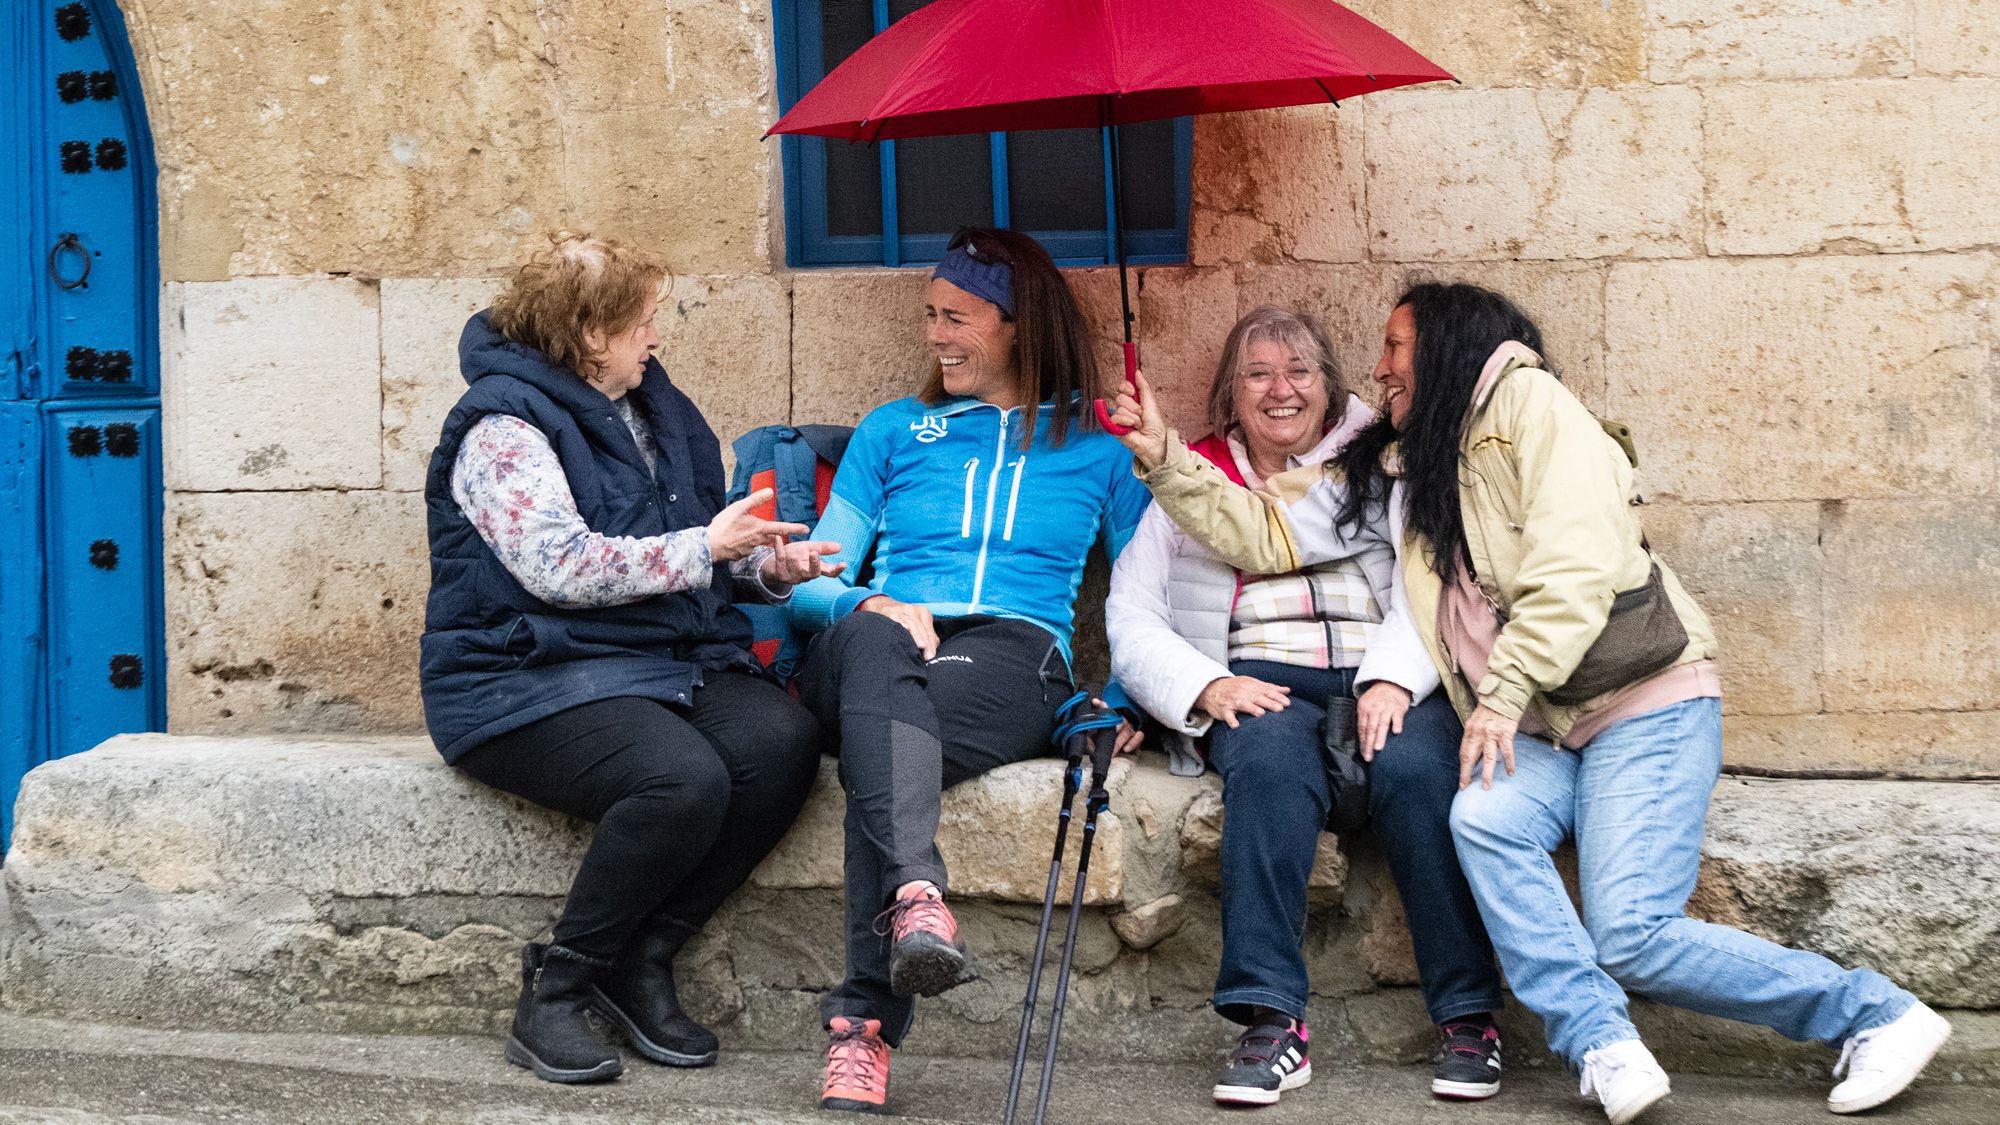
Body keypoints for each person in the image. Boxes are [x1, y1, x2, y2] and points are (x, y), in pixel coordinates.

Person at [1103, 282, 1951, 1123]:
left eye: (1394, 349)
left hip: (1640, 704)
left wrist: (1495, 700)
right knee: (1483, 818)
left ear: (1440, 351)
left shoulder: (1538, 410)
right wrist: (1165, 456)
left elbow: (1574, 576)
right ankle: (1602, 1043)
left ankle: (1875, 1012)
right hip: (1551, 723)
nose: (1378, 368)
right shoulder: (1411, 461)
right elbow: (1272, 535)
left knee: (1632, 931)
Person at [419, 231, 837, 1085]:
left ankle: (641, 958)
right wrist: (706, 546)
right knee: (682, 778)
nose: (657, 335)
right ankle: (557, 987)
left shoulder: (656, 405)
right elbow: (559, 565)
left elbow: (699, 550)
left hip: (646, 657)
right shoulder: (502, 428)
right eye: (643, 321)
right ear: (588, 334)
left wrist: (767, 568)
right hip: (517, 675)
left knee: (781, 742)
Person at [787, 228, 1152, 1115]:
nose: (935, 335)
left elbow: (1153, 589)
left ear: (1018, 326)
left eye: (957, 317)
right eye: (930, 315)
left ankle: (864, 1028)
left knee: (886, 750)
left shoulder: (1102, 447)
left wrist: (1133, 694)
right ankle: (919, 896)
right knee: (878, 652)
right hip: (872, 639)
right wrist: (861, 604)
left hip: (1010, 658)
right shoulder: (893, 430)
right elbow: (814, 583)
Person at [1105, 306, 1506, 1107]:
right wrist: (1206, 687)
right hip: (1264, 681)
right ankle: (1271, 1020)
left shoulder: (1382, 460)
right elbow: (1131, 614)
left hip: (1385, 674)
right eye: (1258, 373)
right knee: (1266, 768)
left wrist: (1393, 678)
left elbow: (1427, 587)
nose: (1280, 390)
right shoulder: (1198, 476)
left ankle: (1469, 1015)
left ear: (1331, 384)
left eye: (1300, 372)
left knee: (1423, 770)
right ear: (1230, 391)